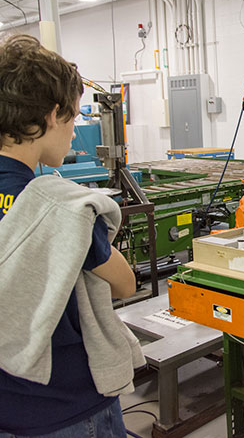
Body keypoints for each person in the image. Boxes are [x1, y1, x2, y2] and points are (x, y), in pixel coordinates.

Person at [0, 34, 139, 437]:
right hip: (66, 406)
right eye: (74, 118)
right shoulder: (59, 206)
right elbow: (125, 284)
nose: (74, 131)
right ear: (50, 116)